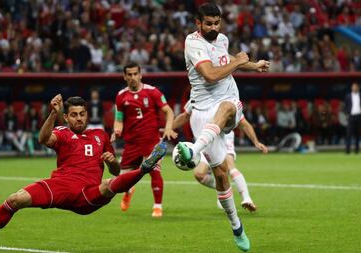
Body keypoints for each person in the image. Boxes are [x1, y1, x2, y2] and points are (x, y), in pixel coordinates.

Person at [0, 95, 167, 253]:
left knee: (108, 184)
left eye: (82, 114)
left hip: (88, 193)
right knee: (15, 199)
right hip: (60, 186)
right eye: (74, 115)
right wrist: (52, 113)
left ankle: (144, 169)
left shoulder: (100, 136)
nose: (79, 119)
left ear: (87, 114)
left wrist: (113, 162)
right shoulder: (62, 132)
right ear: (66, 117)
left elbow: (115, 170)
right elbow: (43, 139)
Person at [176, 3, 269, 251]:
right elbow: (210, 74)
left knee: (228, 106)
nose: (214, 28)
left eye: (217, 23)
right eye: (208, 23)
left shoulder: (223, 40)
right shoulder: (193, 42)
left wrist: (252, 65)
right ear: (198, 23)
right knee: (220, 175)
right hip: (202, 112)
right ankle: (237, 227)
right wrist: (239, 61)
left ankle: (193, 151)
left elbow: (226, 63)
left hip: (227, 104)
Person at [173, 101, 267, 212]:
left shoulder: (227, 99)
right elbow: (185, 116)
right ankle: (224, 188)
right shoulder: (196, 97)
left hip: (223, 138)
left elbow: (244, 123)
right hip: (202, 142)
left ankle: (247, 199)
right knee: (199, 174)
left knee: (230, 167)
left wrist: (256, 142)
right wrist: (169, 128)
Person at [111, 61, 177, 218]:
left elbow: (168, 111)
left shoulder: (152, 92)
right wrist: (117, 131)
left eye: (135, 74)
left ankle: (157, 207)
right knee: (123, 178)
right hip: (132, 142)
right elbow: (119, 118)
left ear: (140, 74)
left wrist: (168, 127)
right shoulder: (121, 96)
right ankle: (129, 191)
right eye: (129, 74)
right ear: (124, 76)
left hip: (151, 141)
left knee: (154, 171)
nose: (133, 77)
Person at [344, 82, 361, 154]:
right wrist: (347, 113)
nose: (354, 88)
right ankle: (347, 151)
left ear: (358, 88)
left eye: (356, 87)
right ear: (351, 88)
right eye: (353, 87)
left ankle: (357, 151)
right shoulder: (348, 96)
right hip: (351, 116)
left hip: (359, 116)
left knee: (358, 134)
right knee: (349, 134)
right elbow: (346, 106)